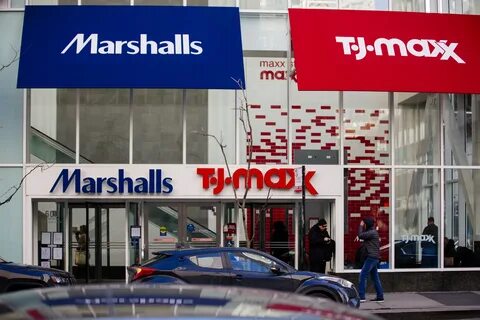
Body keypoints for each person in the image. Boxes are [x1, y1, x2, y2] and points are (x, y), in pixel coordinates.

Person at [357, 217, 384, 303]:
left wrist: (360, 226)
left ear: (366, 224)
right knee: (375, 277)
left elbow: (360, 235)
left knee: (362, 276)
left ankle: (361, 297)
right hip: (374, 257)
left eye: (364, 224)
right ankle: (380, 297)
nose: (363, 225)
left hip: (371, 258)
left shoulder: (372, 232)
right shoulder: (372, 232)